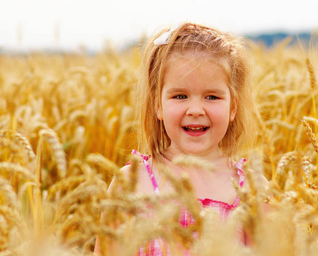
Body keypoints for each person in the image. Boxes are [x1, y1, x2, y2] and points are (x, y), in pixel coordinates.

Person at [95, 22, 261, 255]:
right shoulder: (129, 184)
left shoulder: (251, 190)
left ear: (233, 107)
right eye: (180, 96)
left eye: (212, 97)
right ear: (158, 105)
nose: (195, 109)